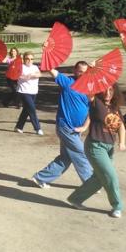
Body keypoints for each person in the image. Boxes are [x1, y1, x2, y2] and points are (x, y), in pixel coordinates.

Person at [66, 84, 126, 218]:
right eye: (105, 90)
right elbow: (90, 92)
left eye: (111, 90)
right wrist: (92, 72)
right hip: (95, 146)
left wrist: (122, 142)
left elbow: (121, 126)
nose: (107, 93)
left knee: (99, 179)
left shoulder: (115, 108)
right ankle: (117, 206)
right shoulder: (96, 103)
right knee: (111, 177)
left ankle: (75, 198)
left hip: (109, 148)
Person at [30, 61, 93, 189]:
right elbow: (51, 70)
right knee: (80, 153)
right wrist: (46, 52)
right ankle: (90, 183)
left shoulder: (90, 88)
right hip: (65, 127)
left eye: (85, 72)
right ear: (75, 70)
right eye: (80, 71)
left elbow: (92, 110)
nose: (82, 74)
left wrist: (85, 126)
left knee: (66, 157)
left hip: (77, 129)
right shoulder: (68, 82)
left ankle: (40, 178)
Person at [14, 52, 43, 135]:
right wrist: (27, 76)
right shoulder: (21, 67)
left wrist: (32, 75)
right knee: (32, 109)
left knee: (26, 110)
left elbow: (40, 74)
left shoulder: (35, 67)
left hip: (33, 91)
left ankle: (19, 127)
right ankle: (38, 128)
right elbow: (18, 75)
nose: (29, 60)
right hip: (23, 91)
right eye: (27, 59)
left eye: (31, 59)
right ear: (24, 59)